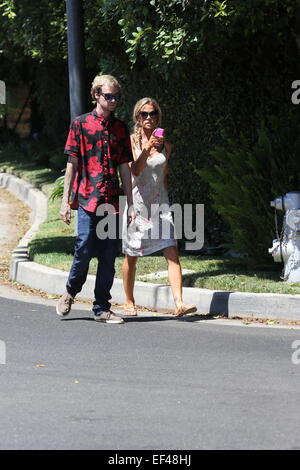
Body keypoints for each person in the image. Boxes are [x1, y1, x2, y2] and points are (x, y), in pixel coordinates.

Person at [56, 74, 133, 324]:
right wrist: (65, 201)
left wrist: (130, 202)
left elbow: (124, 167)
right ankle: (70, 291)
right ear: (96, 95)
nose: (113, 101)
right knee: (85, 248)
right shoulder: (80, 125)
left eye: (116, 97)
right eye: (109, 96)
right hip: (88, 198)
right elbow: (72, 164)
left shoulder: (121, 129)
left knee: (109, 256)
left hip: (111, 201)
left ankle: (101, 308)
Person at [122, 97, 197, 317]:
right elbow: (134, 170)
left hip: (160, 207)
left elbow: (164, 175)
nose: (149, 118)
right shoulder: (130, 143)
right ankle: (128, 300)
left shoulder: (167, 145)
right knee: (132, 255)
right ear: (137, 117)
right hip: (138, 206)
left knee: (172, 252)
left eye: (153, 114)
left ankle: (179, 303)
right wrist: (146, 149)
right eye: (144, 114)